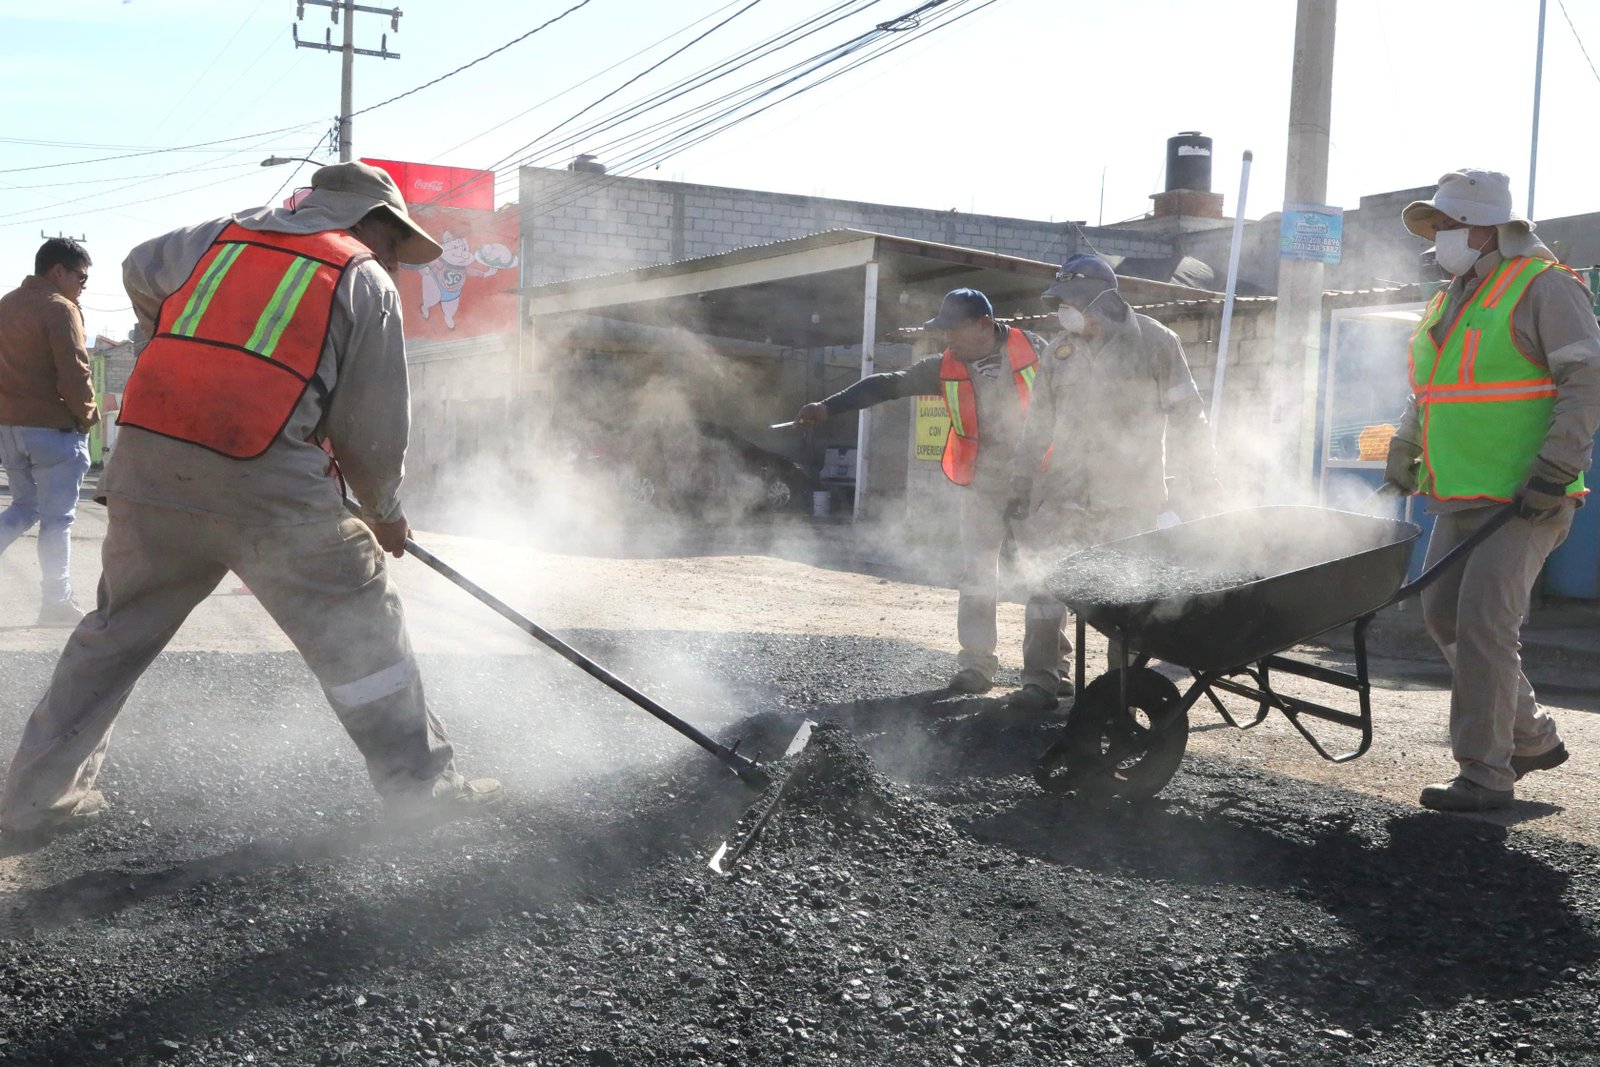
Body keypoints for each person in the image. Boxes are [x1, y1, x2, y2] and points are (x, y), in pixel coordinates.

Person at [0, 162, 501, 845]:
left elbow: (138, 263)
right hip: (265, 482)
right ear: (370, 222)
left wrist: (168, 338)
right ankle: (422, 789)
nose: (392, 259)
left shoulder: (217, 237)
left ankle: (36, 797)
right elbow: (374, 424)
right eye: (392, 243)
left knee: (113, 636)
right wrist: (383, 510)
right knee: (361, 629)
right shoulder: (363, 278)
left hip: (151, 467)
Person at [1383, 168, 1600, 813]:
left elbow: (1587, 381)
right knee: (1443, 617)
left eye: (1447, 224)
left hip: (1525, 496)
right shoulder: (1451, 296)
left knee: (1483, 624)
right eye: (1434, 225)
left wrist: (1555, 470)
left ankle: (1485, 772)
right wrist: (1405, 443)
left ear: (1487, 228)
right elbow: (1433, 388)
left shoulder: (1544, 287)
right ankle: (1530, 737)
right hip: (1458, 491)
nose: (1437, 237)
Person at [791, 288, 1059, 705]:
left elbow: (1077, 405)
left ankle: (1045, 676)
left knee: (1041, 578)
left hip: (1038, 481)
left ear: (984, 324)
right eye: (944, 330)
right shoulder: (944, 366)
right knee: (977, 574)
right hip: (981, 484)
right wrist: (828, 407)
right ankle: (976, 666)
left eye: (954, 329)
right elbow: (889, 385)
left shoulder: (1037, 352)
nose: (947, 338)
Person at [1006, 253, 1223, 710]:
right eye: (1061, 303)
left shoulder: (1156, 343)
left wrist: (1201, 480)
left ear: (1101, 299)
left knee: (1126, 600)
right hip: (1062, 496)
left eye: (1071, 302)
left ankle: (1121, 693)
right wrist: (1021, 481)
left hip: (1130, 500)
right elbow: (1037, 426)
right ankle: (1041, 681)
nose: (1065, 311)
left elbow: (1189, 418)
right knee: (1045, 588)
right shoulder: (1059, 351)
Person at [0, 237, 100, 626]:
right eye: (81, 277)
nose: (83, 286)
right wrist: (88, 416)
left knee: (25, 507)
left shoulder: (6, 304)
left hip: (9, 429)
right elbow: (75, 372)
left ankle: (57, 601)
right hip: (52, 431)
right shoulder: (59, 308)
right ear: (59, 271)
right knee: (58, 520)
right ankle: (56, 603)